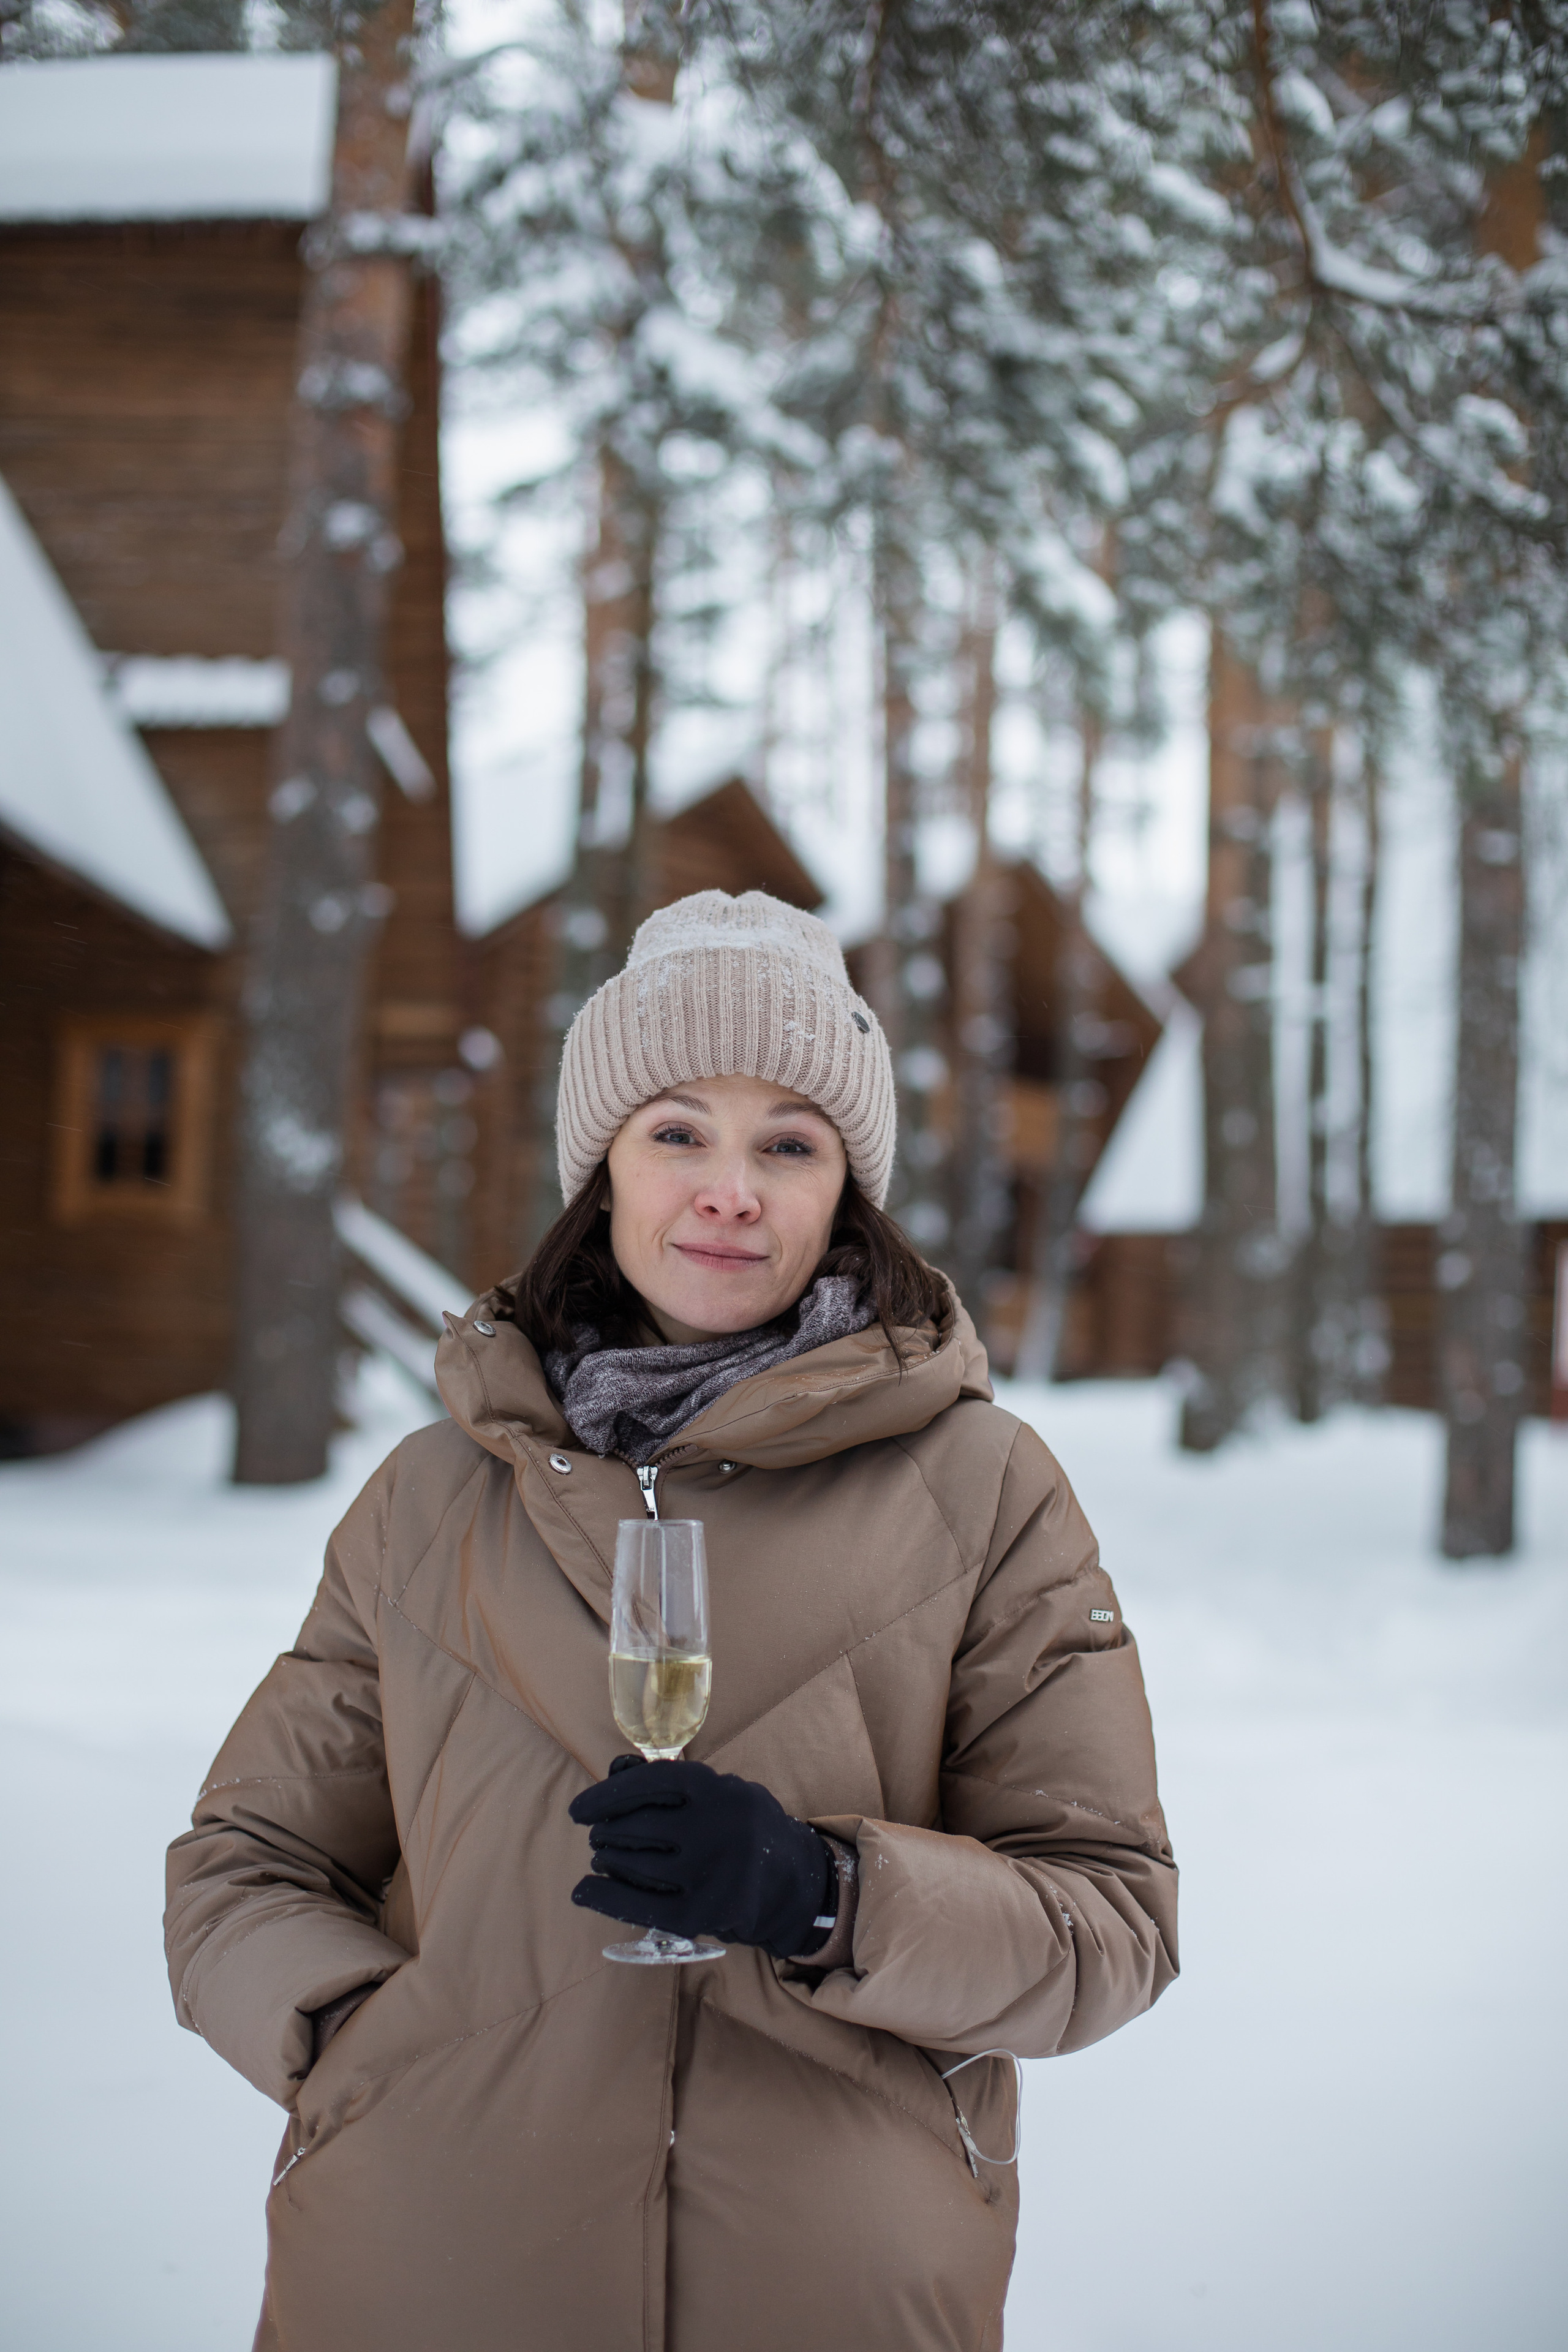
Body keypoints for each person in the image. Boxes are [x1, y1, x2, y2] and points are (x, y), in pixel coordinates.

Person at [166, 889, 1177, 2352]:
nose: (729, 1189)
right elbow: (241, 1867)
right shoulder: (433, 1496)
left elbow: (1109, 1922)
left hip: (832, 2296)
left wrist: (829, 1898)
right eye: (677, 1131)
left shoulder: (981, 1489)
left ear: (846, 1190)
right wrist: (362, 2051)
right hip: (425, 2281)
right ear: (604, 1170)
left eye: (788, 1142)